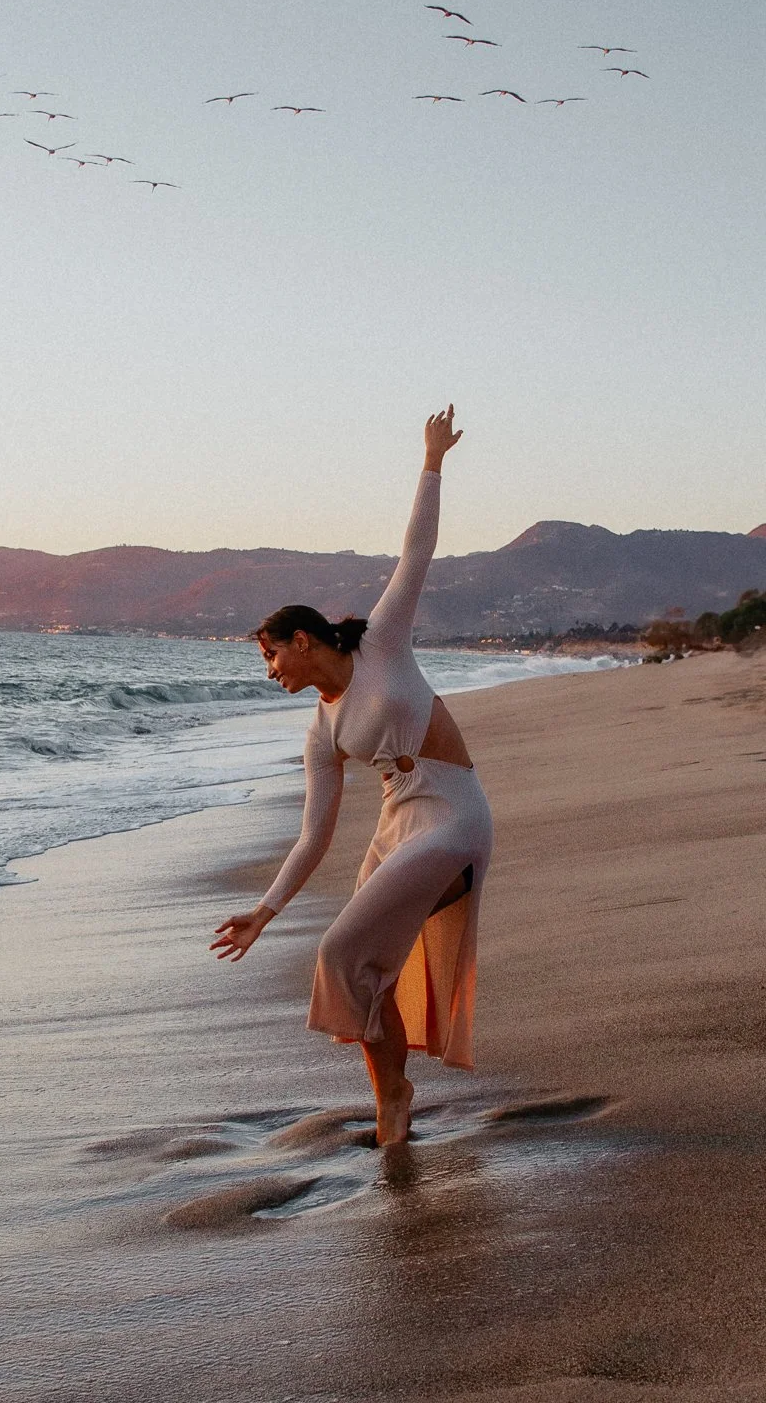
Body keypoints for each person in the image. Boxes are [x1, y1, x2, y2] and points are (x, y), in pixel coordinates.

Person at [210, 406, 492, 1145]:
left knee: (337, 952)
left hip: (453, 821)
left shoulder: (382, 644)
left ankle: (393, 1094)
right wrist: (265, 911)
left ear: (301, 641)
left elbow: (415, 553)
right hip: (395, 829)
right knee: (360, 969)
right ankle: (389, 1098)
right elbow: (312, 838)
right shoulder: (323, 732)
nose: (269, 672)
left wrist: (431, 462)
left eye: (270, 656)